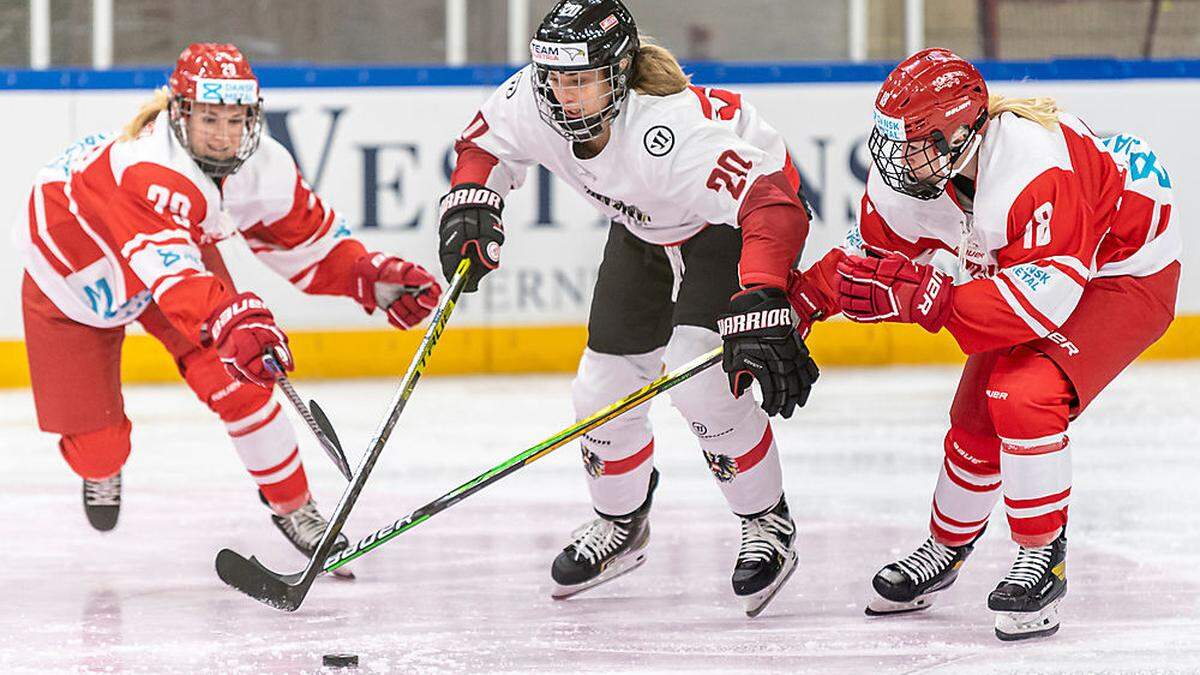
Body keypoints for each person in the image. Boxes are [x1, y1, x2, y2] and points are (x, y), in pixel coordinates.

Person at [436, 0, 819, 617]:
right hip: (642, 226)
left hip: (727, 228)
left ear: (618, 73)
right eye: (555, 80)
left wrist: (764, 294)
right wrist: (471, 199)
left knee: (698, 379)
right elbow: (486, 143)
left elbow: (773, 204)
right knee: (600, 390)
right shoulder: (536, 100)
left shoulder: (669, 135)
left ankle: (767, 522)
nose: (565, 97)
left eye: (582, 80)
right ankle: (622, 524)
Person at [789, 48, 1181, 639]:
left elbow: (1040, 304)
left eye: (913, 141)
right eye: (892, 137)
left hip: (1124, 272)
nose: (896, 156)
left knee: (1023, 396)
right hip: (1038, 268)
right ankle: (946, 546)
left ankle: (1042, 553)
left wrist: (930, 298)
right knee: (974, 416)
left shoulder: (1033, 167)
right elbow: (866, 259)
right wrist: (798, 305)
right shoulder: (922, 172)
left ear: (959, 133)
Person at [14, 43, 442, 567]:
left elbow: (306, 241)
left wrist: (369, 277)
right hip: (72, 280)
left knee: (240, 376)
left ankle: (294, 506)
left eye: (237, 119)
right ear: (180, 114)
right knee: (102, 449)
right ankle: (100, 468)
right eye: (210, 118)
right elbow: (176, 277)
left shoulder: (261, 165)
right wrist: (229, 316)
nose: (224, 135)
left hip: (169, 259)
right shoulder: (146, 169)